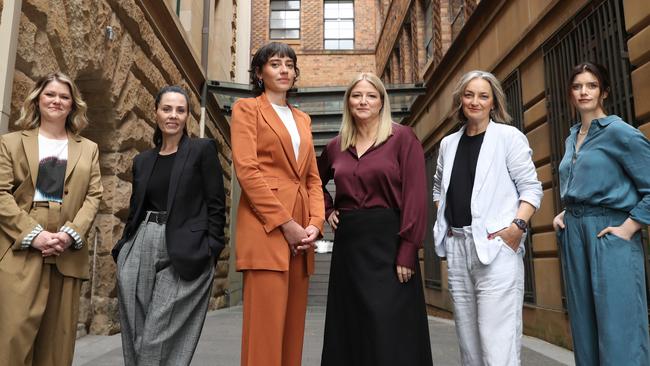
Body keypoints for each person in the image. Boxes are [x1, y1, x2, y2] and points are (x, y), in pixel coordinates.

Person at [318, 72, 433, 366]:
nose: (363, 101)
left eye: (371, 95)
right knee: (350, 327)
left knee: (391, 327)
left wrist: (408, 249)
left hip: (390, 243)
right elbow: (312, 182)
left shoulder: (403, 138)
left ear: (382, 102)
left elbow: (416, 198)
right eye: (357, 95)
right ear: (348, 102)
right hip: (350, 248)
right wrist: (328, 210)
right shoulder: (335, 146)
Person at [432, 70, 543, 365]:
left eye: (483, 95)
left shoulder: (508, 137)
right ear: (460, 100)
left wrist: (516, 228)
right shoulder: (448, 144)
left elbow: (531, 188)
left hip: (497, 246)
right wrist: (444, 216)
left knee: (498, 343)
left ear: (494, 101)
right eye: (469, 95)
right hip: (458, 246)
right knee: (469, 344)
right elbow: (438, 186)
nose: (475, 101)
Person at [112, 85, 226, 366]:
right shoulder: (143, 160)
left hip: (184, 246)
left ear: (187, 116)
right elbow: (135, 207)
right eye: (167, 109)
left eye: (180, 110)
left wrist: (212, 249)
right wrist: (123, 249)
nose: (173, 115)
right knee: (136, 331)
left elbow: (216, 204)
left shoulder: (202, 150)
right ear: (156, 113)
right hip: (141, 242)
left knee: (157, 334)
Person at [231, 42, 325, 366]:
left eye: (289, 64)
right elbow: (247, 171)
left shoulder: (303, 119)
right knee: (264, 332)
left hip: (302, 236)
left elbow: (312, 178)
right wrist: (288, 225)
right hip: (266, 229)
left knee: (292, 333)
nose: (284, 70)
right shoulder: (246, 109)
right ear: (259, 73)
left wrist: (315, 224)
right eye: (275, 64)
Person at [0, 72, 103, 366]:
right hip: (19, 250)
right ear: (37, 99)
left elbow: (94, 196)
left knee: (56, 346)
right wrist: (34, 234)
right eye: (50, 94)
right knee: (12, 340)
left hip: (66, 252)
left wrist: (71, 234)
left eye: (64, 96)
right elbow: (1, 194)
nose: (57, 101)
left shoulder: (89, 148)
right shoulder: (11, 143)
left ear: (73, 105)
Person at [552, 62, 650, 366]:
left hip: (610, 233)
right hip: (576, 235)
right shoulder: (572, 137)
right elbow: (583, 184)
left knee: (619, 327)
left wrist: (630, 226)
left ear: (604, 92)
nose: (584, 92)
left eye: (591, 85)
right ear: (571, 94)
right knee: (584, 328)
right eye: (578, 86)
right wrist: (564, 213)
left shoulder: (620, 132)